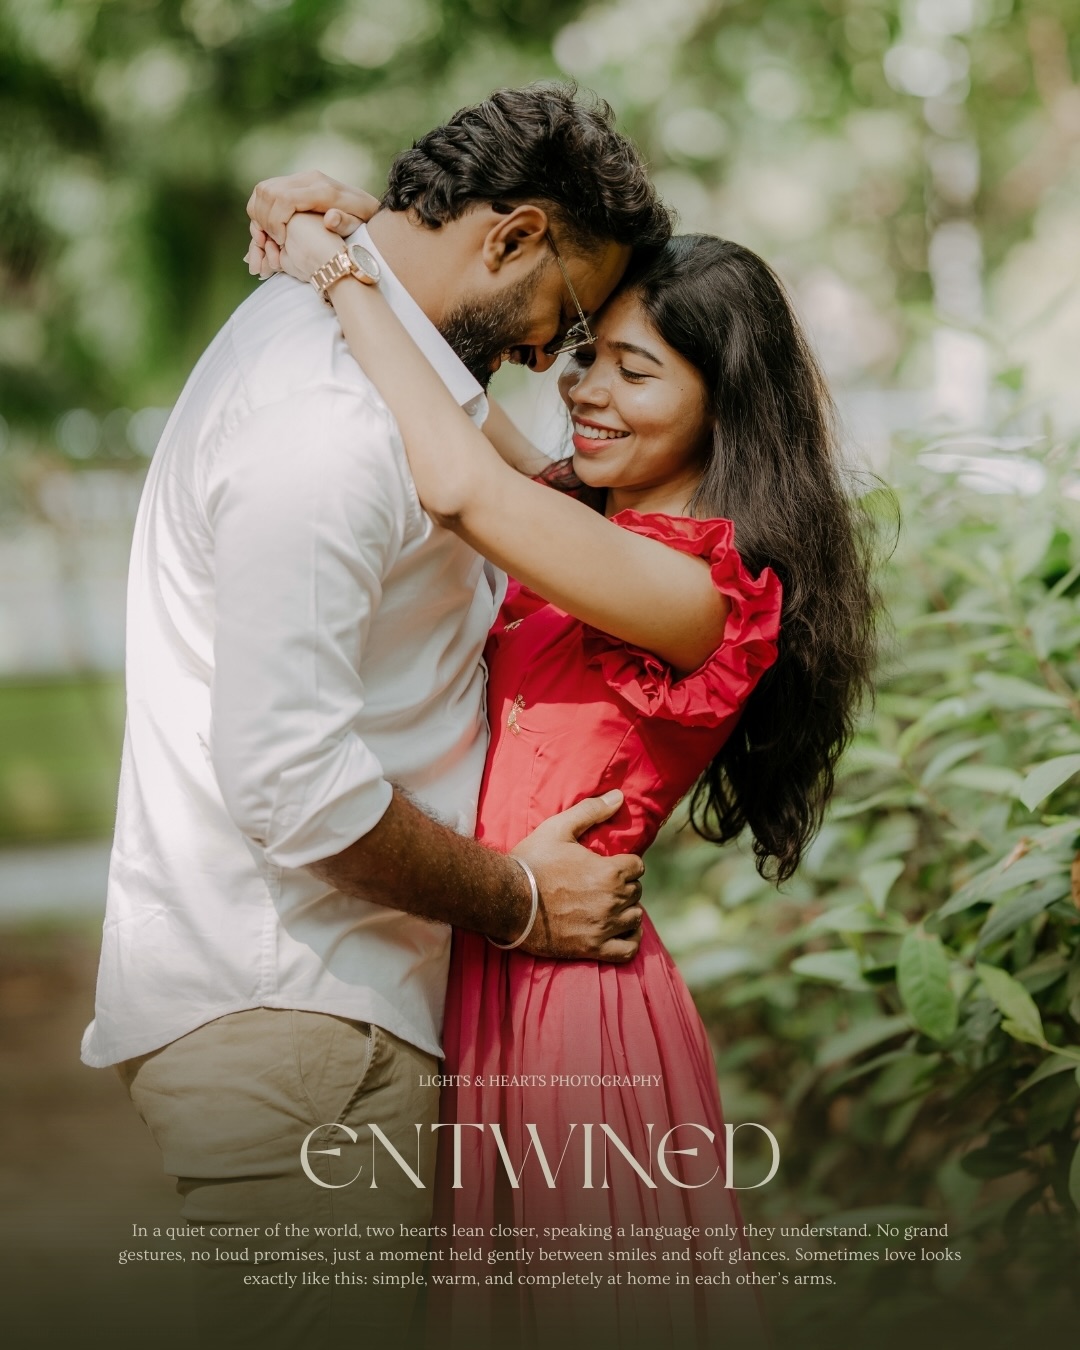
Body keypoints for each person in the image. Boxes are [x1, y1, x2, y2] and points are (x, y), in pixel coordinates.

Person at [79, 85, 674, 1349]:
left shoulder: (376, 368)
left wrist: (324, 243)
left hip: (330, 1010)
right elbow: (289, 783)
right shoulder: (327, 426)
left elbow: (516, 481)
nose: (548, 359)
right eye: (566, 320)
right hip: (299, 1018)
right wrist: (522, 899)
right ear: (508, 237)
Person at [244, 168, 880, 1348]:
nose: (586, 390)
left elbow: (455, 477)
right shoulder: (594, 519)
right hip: (506, 959)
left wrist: (336, 275)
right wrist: (348, 227)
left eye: (637, 373)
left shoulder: (697, 591)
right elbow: (451, 403)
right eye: (589, 356)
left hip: (578, 1005)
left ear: (723, 408)